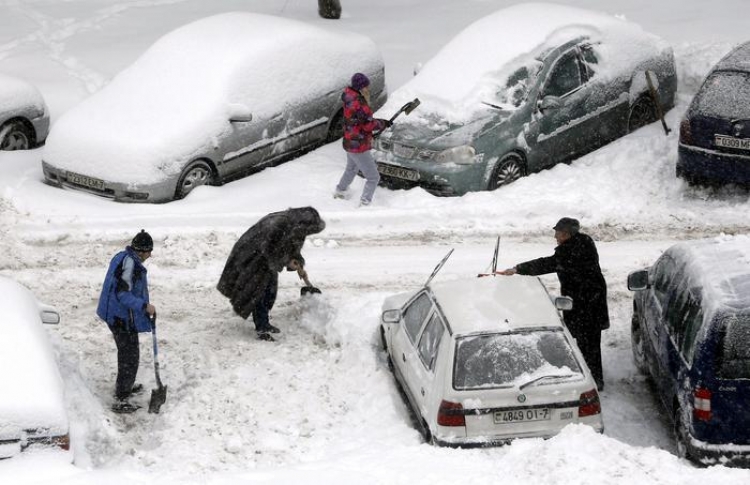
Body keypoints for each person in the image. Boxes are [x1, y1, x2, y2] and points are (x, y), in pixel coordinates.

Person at [497, 217, 609, 390]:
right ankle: (593, 377)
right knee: (589, 342)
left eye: (557, 233)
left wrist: (518, 269)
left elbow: (547, 264)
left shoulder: (571, 251)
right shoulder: (583, 242)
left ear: (566, 234)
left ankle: (593, 381)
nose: (555, 236)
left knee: (587, 343)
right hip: (591, 299)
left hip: (585, 303)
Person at [217, 207, 326, 342]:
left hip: (266, 258)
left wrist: (299, 264)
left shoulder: (295, 227)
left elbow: (292, 248)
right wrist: (287, 261)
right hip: (252, 255)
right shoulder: (279, 224)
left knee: (270, 292)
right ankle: (261, 328)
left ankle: (265, 323)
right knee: (258, 292)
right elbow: (269, 249)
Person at [96, 230, 157, 413]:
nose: (150, 255)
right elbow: (122, 294)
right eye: (149, 251)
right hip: (119, 317)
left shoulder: (124, 257)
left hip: (115, 314)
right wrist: (144, 306)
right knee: (129, 357)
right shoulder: (130, 264)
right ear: (141, 251)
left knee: (128, 354)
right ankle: (121, 398)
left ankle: (125, 387)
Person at [334, 72, 392, 207]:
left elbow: (359, 122)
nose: (368, 88)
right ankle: (365, 203)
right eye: (366, 86)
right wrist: (383, 123)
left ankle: (340, 191)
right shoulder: (359, 104)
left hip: (350, 141)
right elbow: (368, 125)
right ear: (360, 88)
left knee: (351, 168)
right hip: (359, 145)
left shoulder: (349, 97)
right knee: (373, 177)